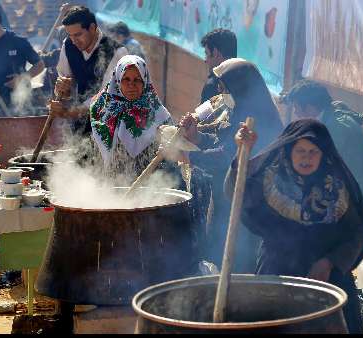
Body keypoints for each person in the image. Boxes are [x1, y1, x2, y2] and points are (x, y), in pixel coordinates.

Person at [226, 119, 363, 333]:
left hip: (328, 281)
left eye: (313, 152)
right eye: (300, 150)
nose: (306, 158)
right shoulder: (271, 179)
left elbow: (358, 234)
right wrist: (243, 151)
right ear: (288, 151)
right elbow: (236, 191)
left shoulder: (338, 188)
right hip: (277, 275)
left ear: (323, 155)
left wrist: (330, 261)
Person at [175, 58, 283, 271]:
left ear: (240, 87)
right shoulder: (238, 111)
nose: (221, 93)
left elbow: (228, 156)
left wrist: (191, 157)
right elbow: (223, 142)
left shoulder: (257, 119)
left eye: (225, 88)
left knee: (239, 261)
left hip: (248, 205)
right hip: (225, 197)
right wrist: (196, 137)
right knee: (220, 254)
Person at [282, 80, 363, 222]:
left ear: (309, 108)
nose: (296, 114)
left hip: (362, 203)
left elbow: (325, 170)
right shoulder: (331, 115)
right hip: (353, 194)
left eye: (297, 108)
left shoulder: (337, 128)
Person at [90, 55, 171, 184]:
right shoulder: (102, 110)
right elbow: (95, 154)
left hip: (149, 187)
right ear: (117, 80)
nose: (131, 85)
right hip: (110, 187)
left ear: (144, 80)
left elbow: (168, 159)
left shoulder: (159, 114)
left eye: (137, 80)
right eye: (125, 79)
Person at [50, 6, 128, 136]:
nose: (74, 41)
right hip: (80, 125)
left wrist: (70, 112)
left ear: (92, 28)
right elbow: (66, 83)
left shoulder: (116, 52)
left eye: (78, 34)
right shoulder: (68, 45)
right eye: (70, 35)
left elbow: (107, 97)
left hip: (109, 127)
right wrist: (62, 87)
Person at [200, 28, 237, 104]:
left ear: (215, 53)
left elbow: (203, 116)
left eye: (207, 53)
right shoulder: (247, 81)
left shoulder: (212, 86)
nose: (205, 60)